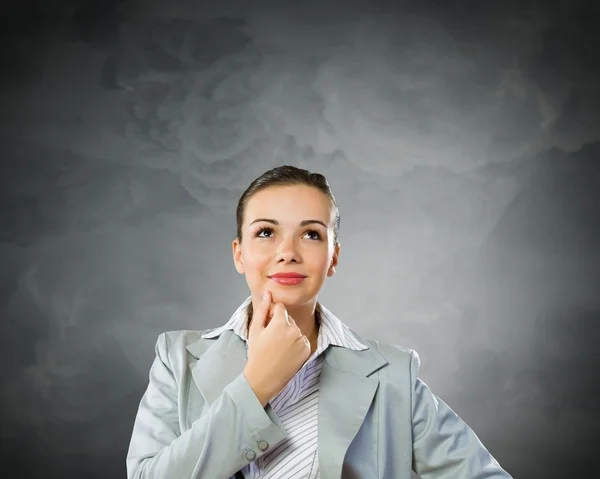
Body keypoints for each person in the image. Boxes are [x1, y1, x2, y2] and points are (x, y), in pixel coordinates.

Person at [126, 165, 513, 479]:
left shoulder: (392, 374)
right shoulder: (177, 359)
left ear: (333, 257)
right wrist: (255, 386)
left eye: (311, 234)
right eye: (265, 232)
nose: (287, 253)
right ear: (239, 254)